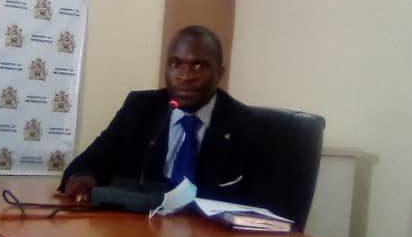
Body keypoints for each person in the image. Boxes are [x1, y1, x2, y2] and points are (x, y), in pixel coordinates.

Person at [60, 25, 270, 209]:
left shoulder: (244, 124)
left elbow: (264, 204)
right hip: (138, 232)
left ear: (220, 74)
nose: (184, 76)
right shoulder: (140, 108)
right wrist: (82, 180)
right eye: (175, 64)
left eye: (198, 66)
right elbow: (85, 164)